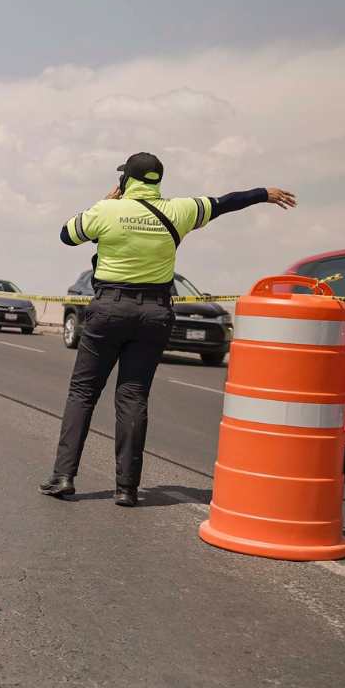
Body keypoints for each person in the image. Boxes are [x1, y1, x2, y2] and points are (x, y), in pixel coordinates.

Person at [39, 152, 297, 506]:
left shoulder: (107, 211)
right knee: (133, 396)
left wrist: (105, 201)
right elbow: (225, 203)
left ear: (126, 180)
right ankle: (127, 488)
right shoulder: (181, 210)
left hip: (109, 309)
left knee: (83, 392)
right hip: (155, 313)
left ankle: (64, 476)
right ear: (157, 180)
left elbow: (66, 235)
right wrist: (263, 193)